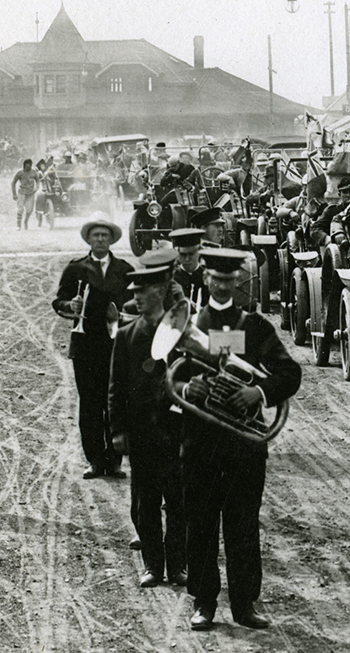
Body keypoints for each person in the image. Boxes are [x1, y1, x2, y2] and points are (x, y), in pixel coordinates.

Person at [174, 248, 301, 631]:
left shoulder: (255, 326)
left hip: (243, 444)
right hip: (199, 442)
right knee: (201, 523)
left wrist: (258, 393)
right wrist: (187, 387)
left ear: (238, 282)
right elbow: (166, 376)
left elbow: (289, 373)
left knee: (243, 524)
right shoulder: (189, 324)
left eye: (229, 280)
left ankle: (245, 604)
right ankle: (204, 602)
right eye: (216, 279)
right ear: (206, 279)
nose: (223, 286)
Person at [107, 249, 188, 589]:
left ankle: (178, 566)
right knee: (146, 502)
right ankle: (153, 565)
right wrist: (118, 430)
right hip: (141, 433)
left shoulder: (183, 330)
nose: (136, 299)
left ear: (159, 291)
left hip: (177, 431)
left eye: (142, 293)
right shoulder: (127, 335)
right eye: (134, 294)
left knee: (179, 502)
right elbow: (115, 387)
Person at [53, 214, 131, 479]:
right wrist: (69, 306)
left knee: (116, 404)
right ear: (88, 239)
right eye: (96, 235)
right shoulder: (75, 269)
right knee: (90, 404)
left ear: (111, 240)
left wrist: (120, 315)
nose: (100, 239)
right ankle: (95, 460)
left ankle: (115, 460)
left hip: (116, 345)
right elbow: (58, 301)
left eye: (104, 236)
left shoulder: (125, 269)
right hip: (85, 345)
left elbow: (135, 305)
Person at [11, 160, 38, 230]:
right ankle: (18, 225)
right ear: (24, 165)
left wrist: (36, 188)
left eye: (30, 165)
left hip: (30, 193)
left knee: (30, 210)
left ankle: (26, 221)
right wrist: (14, 194)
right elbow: (13, 182)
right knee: (20, 209)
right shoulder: (19, 172)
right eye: (27, 166)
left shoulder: (33, 172)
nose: (28, 167)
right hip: (22, 193)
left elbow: (38, 180)